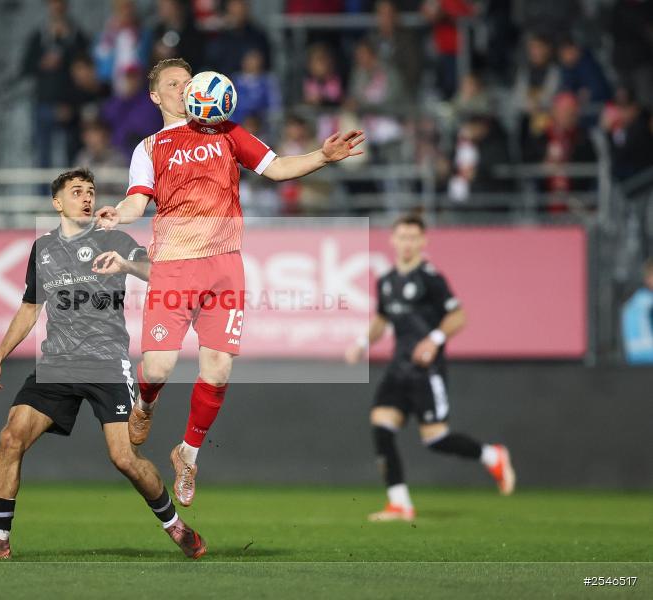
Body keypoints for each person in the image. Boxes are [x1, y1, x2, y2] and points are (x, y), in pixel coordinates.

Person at [96, 58, 365, 507]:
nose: (184, 88)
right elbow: (137, 202)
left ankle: (188, 454)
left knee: (218, 369)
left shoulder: (227, 131)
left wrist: (322, 156)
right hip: (175, 265)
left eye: (188, 81)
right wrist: (115, 214)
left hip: (224, 265)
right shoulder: (150, 147)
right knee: (158, 368)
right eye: (173, 84)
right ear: (156, 96)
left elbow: (276, 168)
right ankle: (145, 404)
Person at [0, 168, 206, 560]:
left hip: (107, 361)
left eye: (90, 191)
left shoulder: (115, 238)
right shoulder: (44, 249)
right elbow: (30, 307)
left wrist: (126, 264)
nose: (87, 198)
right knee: (10, 437)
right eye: (77, 192)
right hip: (57, 363)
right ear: (57, 203)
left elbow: (159, 273)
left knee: (124, 458)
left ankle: (173, 523)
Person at [346, 213, 515, 522]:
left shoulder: (431, 278)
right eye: (402, 236)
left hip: (427, 372)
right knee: (381, 425)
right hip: (399, 369)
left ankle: (493, 455)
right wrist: (360, 342)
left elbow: (458, 317)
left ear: (423, 242)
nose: (408, 243)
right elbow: (382, 320)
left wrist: (434, 339)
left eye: (414, 237)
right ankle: (399, 503)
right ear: (393, 240)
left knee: (435, 439)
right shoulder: (385, 281)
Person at [20, 0, 88, 170]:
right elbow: (25, 68)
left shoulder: (77, 36)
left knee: (71, 155)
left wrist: (67, 44)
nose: (56, 6)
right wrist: (42, 63)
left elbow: (85, 66)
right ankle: (42, 195)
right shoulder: (39, 36)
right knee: (42, 155)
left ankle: (71, 194)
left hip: (70, 105)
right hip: (43, 103)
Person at [622, 258, 653, 365]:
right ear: (648, 279)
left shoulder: (635, 300)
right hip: (646, 358)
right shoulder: (646, 302)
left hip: (635, 359)